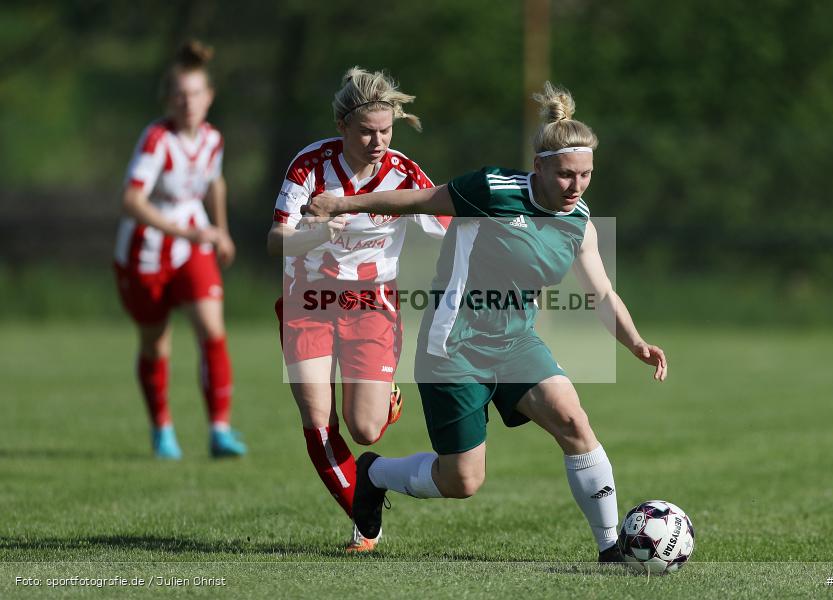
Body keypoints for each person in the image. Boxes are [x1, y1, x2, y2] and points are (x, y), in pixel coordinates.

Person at [302, 82, 667, 561]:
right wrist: (341, 204)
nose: (575, 187)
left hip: (516, 343)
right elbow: (417, 200)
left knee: (574, 421)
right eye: (564, 175)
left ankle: (610, 548)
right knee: (462, 480)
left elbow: (602, 294)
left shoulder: (578, 221)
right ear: (539, 166)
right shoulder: (491, 190)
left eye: (585, 175)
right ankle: (375, 475)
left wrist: (635, 342)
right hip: (453, 345)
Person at [267, 67, 450, 552]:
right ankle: (364, 520)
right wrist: (314, 234)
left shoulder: (404, 173)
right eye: (367, 130)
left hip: (373, 304)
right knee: (315, 412)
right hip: (308, 299)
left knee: (366, 430)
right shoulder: (310, 166)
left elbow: (451, 222)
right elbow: (275, 240)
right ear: (343, 124)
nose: (377, 141)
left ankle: (382, 402)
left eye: (385, 130)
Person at [114, 40, 246, 460]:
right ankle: (162, 430)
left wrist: (220, 231)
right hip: (145, 250)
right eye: (179, 94)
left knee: (212, 329)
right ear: (168, 99)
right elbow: (131, 201)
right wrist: (182, 232)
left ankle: (219, 430)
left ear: (209, 97)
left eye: (195, 94)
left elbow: (215, 182)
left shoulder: (212, 139)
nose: (187, 102)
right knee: (156, 344)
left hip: (193, 245)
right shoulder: (156, 139)